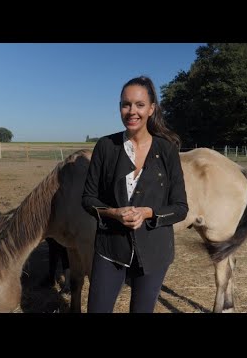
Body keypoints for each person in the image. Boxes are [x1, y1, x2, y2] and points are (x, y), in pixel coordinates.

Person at [81, 76, 189, 313]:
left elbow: (180, 207)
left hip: (154, 250)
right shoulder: (106, 147)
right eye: (125, 104)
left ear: (151, 109)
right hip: (110, 247)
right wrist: (114, 212)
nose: (132, 111)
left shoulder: (167, 148)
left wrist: (149, 212)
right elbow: (88, 199)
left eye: (139, 105)